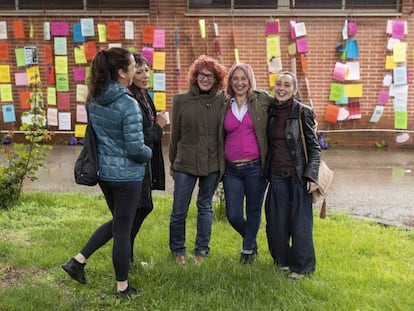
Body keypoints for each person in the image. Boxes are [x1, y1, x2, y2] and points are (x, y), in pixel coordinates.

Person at [62, 47, 152, 297]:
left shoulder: (93, 99)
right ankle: (122, 288)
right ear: (122, 73)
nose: (136, 69)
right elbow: (135, 149)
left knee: (119, 223)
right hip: (127, 177)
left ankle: (78, 261)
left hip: (105, 175)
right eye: (133, 66)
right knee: (123, 230)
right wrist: (150, 153)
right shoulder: (128, 105)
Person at [169, 55, 227, 265]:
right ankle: (178, 250)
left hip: (212, 163)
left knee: (205, 207)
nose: (205, 79)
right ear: (195, 76)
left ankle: (201, 251)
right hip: (185, 162)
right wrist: (172, 163)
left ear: (216, 79)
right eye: (202, 74)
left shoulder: (223, 101)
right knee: (179, 210)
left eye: (210, 76)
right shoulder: (181, 100)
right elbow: (174, 135)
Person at [264, 71, 321, 279]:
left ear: (295, 90)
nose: (281, 88)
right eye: (278, 84)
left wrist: (312, 175)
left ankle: (303, 267)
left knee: (301, 222)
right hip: (276, 175)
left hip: (299, 176)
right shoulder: (270, 110)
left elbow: (314, 148)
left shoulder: (304, 112)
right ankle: (283, 260)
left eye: (287, 85)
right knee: (276, 222)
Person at [219, 63, 273, 264]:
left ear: (250, 80)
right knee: (233, 214)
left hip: (255, 168)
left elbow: (286, 104)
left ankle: (248, 250)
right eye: (236, 78)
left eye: (244, 78)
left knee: (253, 210)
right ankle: (251, 240)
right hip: (232, 169)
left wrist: (307, 118)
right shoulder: (224, 104)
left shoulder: (262, 100)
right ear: (231, 82)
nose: (240, 82)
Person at [128, 53, 168, 264]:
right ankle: (126, 256)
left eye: (147, 70)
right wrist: (159, 126)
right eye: (139, 71)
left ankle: (128, 255)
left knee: (143, 207)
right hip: (135, 164)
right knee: (137, 209)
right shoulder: (131, 99)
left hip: (147, 162)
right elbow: (139, 138)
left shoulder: (145, 95)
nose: (145, 75)